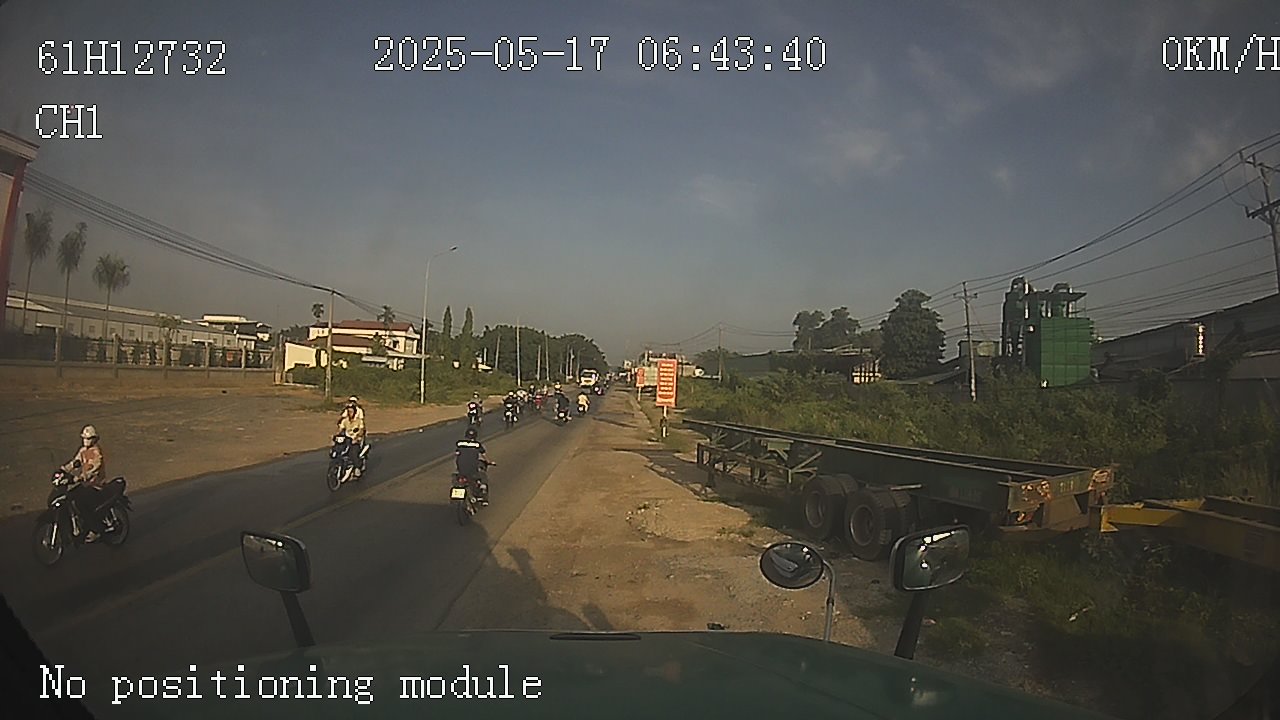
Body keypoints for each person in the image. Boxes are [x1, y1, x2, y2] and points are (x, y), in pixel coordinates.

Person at [64, 425, 108, 542]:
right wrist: (63, 470)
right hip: (85, 484)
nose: (85, 440)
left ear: (94, 439)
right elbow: (74, 462)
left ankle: (95, 529)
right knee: (70, 496)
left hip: (96, 486)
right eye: (84, 438)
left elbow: (95, 468)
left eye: (88, 438)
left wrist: (81, 477)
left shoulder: (96, 452)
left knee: (81, 503)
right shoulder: (83, 451)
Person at [454, 427, 494, 504]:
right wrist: (489, 462)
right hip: (472, 470)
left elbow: (457, 454)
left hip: (460, 469)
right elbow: (484, 455)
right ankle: (483, 498)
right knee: (483, 478)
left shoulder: (459, 443)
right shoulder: (477, 445)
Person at [337, 398, 368, 476]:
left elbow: (361, 428)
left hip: (356, 437)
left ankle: (357, 467)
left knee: (354, 452)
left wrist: (358, 435)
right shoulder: (345, 418)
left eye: (353, 401)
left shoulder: (359, 412)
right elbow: (341, 426)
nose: (350, 413)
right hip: (347, 437)